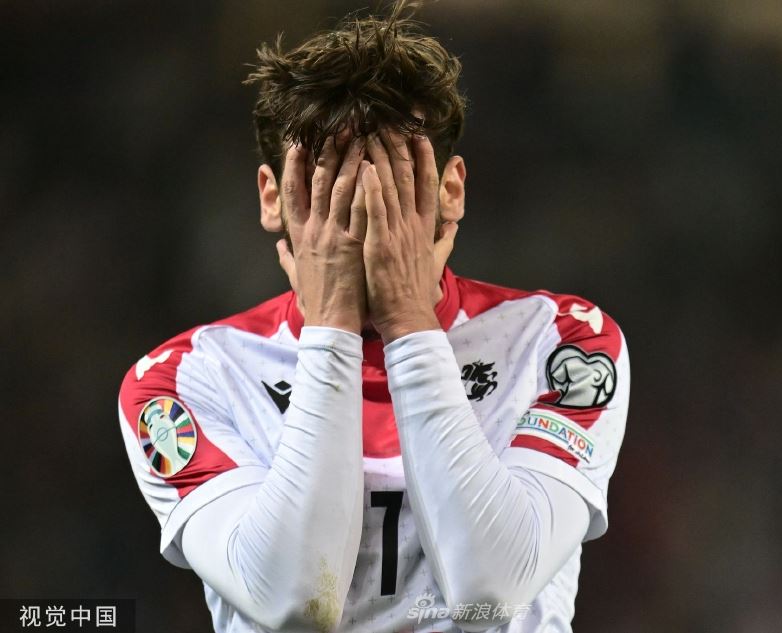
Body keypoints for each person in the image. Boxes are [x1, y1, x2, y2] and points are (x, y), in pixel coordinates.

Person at [117, 3, 629, 632]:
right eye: (330, 187)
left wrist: (409, 321)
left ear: (450, 190)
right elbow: (295, 603)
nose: (363, 217)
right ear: (272, 197)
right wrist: (332, 326)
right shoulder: (184, 380)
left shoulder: (560, 343)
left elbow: (492, 591)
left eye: (393, 184)